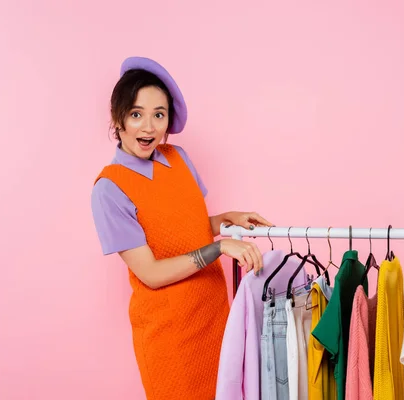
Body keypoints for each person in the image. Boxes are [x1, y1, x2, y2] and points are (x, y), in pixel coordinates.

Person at [91, 56, 273, 400]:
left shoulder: (178, 158)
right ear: (118, 119)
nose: (149, 127)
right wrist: (219, 247)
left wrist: (225, 220)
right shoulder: (109, 189)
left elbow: (179, 231)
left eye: (158, 115)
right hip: (170, 338)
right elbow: (152, 273)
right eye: (136, 114)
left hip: (214, 320)